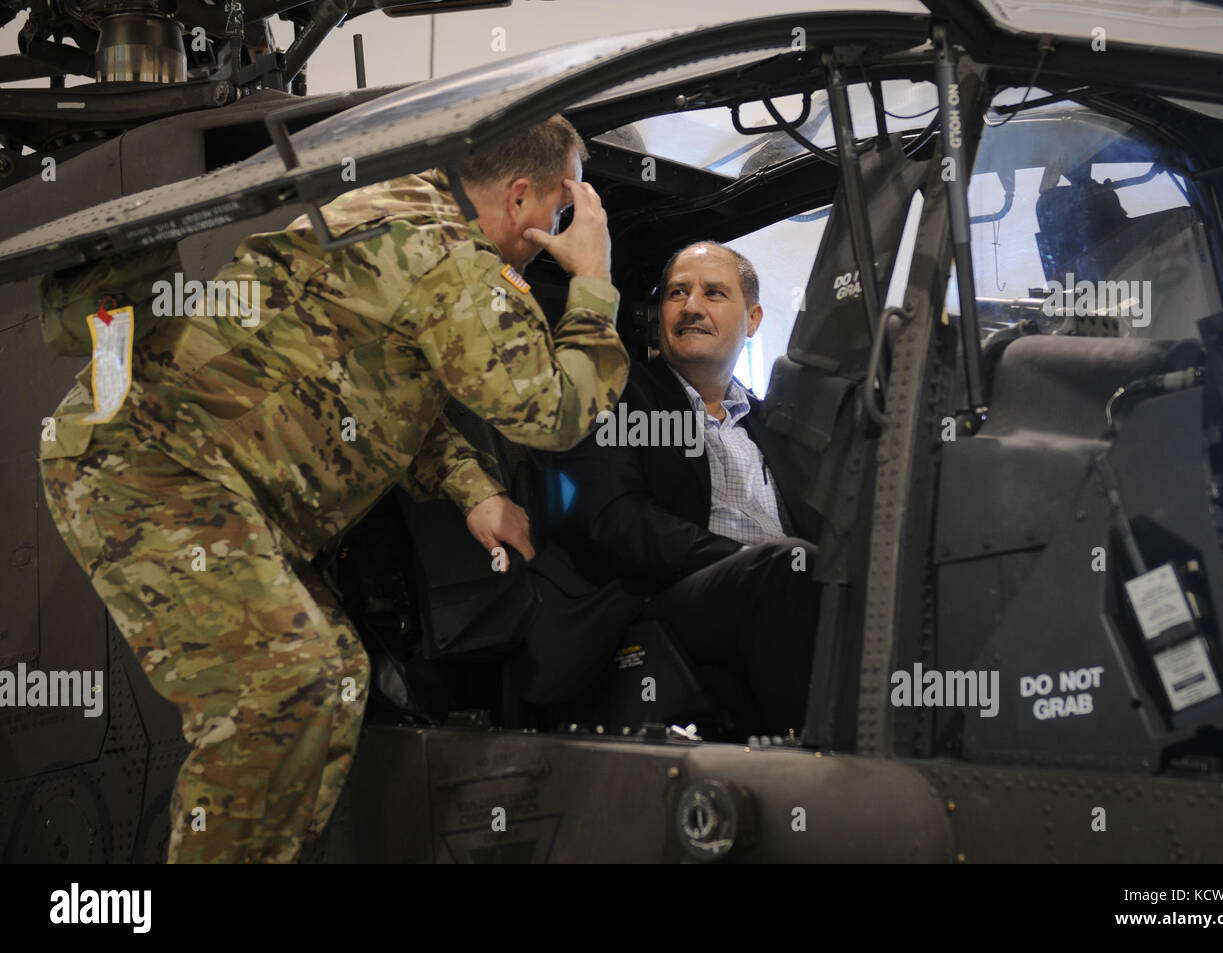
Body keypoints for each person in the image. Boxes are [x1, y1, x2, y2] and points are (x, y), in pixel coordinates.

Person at [38, 115, 628, 863]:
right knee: (282, 688)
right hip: (148, 466)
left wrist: (471, 487)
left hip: (177, 465)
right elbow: (554, 409)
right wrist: (594, 281)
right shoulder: (446, 257)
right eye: (559, 210)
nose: (560, 228)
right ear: (518, 198)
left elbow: (380, 391)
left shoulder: (394, 211)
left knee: (337, 679)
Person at [555, 240, 821, 734]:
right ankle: (814, 763)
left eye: (714, 293)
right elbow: (615, 520)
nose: (692, 307)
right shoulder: (621, 395)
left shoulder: (778, 426)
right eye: (678, 293)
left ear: (754, 319)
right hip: (668, 599)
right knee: (788, 568)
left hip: (780, 582)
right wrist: (741, 559)